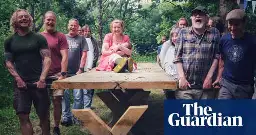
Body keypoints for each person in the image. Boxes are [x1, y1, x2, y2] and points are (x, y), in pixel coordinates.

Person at [4, 9, 51, 135]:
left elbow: (47, 58)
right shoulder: (10, 41)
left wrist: (42, 79)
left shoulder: (38, 38)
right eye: (21, 17)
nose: (24, 18)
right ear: (15, 21)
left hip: (38, 84)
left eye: (26, 16)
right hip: (21, 86)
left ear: (30, 20)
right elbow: (8, 62)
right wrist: (18, 79)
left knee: (44, 116)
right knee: (23, 117)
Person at [173, 6, 220, 99]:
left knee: (204, 113)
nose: (197, 16)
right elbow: (177, 57)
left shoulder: (215, 32)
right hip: (186, 86)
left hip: (206, 87)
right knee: (187, 112)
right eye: (194, 14)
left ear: (207, 18)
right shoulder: (183, 32)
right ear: (191, 18)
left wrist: (209, 77)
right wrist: (182, 78)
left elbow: (217, 56)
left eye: (201, 14)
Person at [212, 9, 256, 99]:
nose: (232, 28)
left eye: (236, 24)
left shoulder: (252, 41)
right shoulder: (224, 39)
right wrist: (218, 78)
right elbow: (222, 59)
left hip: (245, 87)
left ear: (244, 23)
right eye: (230, 24)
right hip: (226, 84)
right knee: (224, 111)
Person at [41, 11, 69, 135]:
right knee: (43, 103)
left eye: (52, 20)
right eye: (48, 19)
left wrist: (63, 74)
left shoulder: (61, 36)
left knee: (57, 101)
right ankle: (45, 127)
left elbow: (65, 56)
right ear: (44, 20)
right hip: (42, 76)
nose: (50, 22)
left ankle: (56, 127)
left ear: (55, 21)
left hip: (57, 75)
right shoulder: (39, 37)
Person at [61, 19, 89, 126]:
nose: (73, 27)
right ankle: (66, 117)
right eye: (71, 25)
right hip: (64, 72)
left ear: (78, 27)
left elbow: (84, 55)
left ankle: (76, 117)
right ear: (68, 26)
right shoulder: (63, 37)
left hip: (77, 72)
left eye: (75, 26)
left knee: (78, 96)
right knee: (65, 96)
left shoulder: (81, 39)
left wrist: (81, 69)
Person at [159, 28, 181, 99]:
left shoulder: (185, 49)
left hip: (181, 81)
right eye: (172, 36)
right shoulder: (170, 49)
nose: (174, 38)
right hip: (171, 80)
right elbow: (166, 64)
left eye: (176, 36)